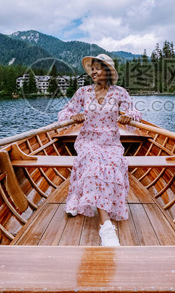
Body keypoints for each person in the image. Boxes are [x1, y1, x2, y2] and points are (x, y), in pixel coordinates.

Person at [57, 54, 141, 246]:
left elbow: (136, 113)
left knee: (113, 163)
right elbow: (64, 113)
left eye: (98, 68)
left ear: (108, 72)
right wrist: (74, 116)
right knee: (94, 162)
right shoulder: (83, 92)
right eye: (92, 68)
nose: (93, 71)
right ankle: (106, 226)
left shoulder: (119, 92)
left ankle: (89, 202)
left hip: (111, 142)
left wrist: (128, 116)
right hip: (88, 140)